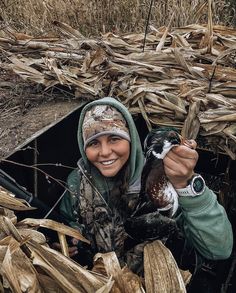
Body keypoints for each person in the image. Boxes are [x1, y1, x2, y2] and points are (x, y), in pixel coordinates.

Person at [59, 96, 233, 280]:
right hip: (98, 281)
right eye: (94, 143)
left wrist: (186, 185)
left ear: (131, 139)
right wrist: (68, 243)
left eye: (114, 138)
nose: (104, 152)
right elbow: (71, 222)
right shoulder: (78, 181)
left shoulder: (165, 177)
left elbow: (219, 250)